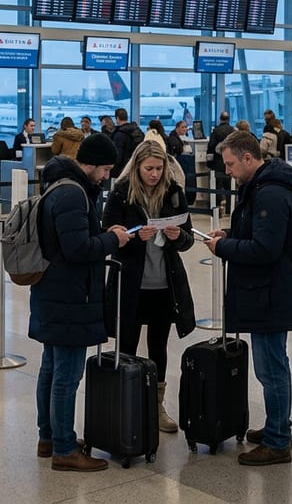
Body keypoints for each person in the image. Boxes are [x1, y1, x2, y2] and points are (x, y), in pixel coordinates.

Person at [200, 130, 292, 466]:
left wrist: (223, 248)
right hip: (267, 292)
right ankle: (278, 426)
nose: (227, 170)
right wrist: (230, 235)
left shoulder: (270, 194)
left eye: (231, 163)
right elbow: (260, 234)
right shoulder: (260, 188)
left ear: (249, 158)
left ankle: (278, 442)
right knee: (273, 366)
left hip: (270, 296)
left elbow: (266, 248)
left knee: (271, 369)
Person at [30, 133, 131, 472]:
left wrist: (102, 234)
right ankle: (63, 448)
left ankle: (48, 437)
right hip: (71, 295)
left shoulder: (59, 186)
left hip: (53, 292)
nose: (106, 177)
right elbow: (78, 249)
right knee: (66, 375)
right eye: (104, 169)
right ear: (88, 164)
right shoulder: (73, 194)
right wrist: (112, 239)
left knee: (50, 368)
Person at [101, 141, 196, 434]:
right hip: (131, 282)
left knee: (159, 346)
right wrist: (130, 236)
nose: (154, 174)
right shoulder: (121, 193)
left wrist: (177, 235)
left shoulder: (174, 193)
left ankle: (156, 405)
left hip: (164, 284)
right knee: (126, 344)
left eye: (159, 168)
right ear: (137, 167)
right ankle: (126, 402)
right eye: (149, 169)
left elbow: (188, 238)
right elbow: (107, 232)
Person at [206, 111, 236, 212]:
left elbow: (211, 146)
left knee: (217, 186)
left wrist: (209, 163)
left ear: (220, 119)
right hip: (231, 163)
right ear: (228, 119)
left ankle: (217, 209)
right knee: (229, 187)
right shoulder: (233, 131)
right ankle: (229, 208)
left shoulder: (216, 131)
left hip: (218, 162)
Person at [111, 108, 143, 174]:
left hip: (122, 171)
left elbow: (118, 156)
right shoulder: (138, 131)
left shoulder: (119, 134)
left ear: (117, 118)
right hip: (136, 168)